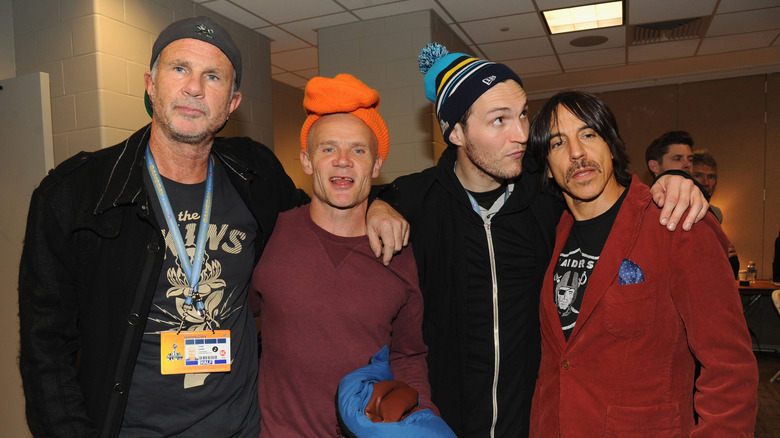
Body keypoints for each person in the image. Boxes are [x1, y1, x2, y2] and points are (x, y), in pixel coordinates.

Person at [17, 17, 399, 438]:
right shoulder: (76, 196)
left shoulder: (256, 175)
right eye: (179, 69)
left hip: (242, 428)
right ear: (151, 83)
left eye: (212, 76)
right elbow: (45, 351)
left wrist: (379, 204)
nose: (194, 87)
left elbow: (322, 213)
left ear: (232, 103)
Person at [369, 43, 710, 437]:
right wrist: (377, 204)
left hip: (535, 423)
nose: (522, 135)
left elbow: (609, 190)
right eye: (499, 120)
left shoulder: (547, 195)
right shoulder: (418, 204)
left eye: (523, 114)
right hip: (444, 425)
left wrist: (676, 182)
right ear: (456, 132)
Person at [527, 90, 758, 437]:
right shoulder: (549, 232)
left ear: (612, 145)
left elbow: (730, 368)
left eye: (588, 134)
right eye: (558, 143)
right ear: (547, 166)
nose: (577, 153)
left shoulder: (675, 223)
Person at [250, 74, 439, 437]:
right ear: (306, 161)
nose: (342, 161)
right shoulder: (270, 234)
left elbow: (408, 356)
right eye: (328, 149)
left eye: (358, 150)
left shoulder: (397, 253)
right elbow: (229, 319)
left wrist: (421, 420)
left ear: (376, 165)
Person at [692, 150, 740, 277]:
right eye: (698, 175)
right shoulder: (679, 210)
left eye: (711, 177)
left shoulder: (716, 213)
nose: (706, 182)